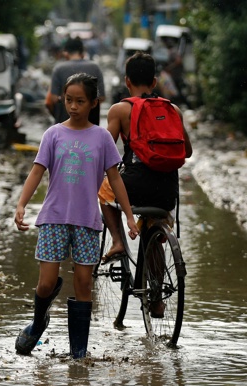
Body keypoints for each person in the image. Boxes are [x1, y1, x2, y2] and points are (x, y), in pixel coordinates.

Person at [15, 73, 139, 359]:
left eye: (80, 101)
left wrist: (129, 216)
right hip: (53, 218)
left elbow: (115, 180)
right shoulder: (53, 134)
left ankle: (78, 356)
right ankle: (37, 323)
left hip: (86, 221)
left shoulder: (102, 138)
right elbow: (37, 171)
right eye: (69, 100)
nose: (73, 106)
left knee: (84, 283)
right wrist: (21, 205)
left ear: (94, 103)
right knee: (46, 283)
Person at [97, 52, 193, 316]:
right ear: (154, 81)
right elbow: (188, 151)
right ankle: (158, 299)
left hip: (135, 184)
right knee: (155, 232)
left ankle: (117, 241)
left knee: (104, 191)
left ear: (127, 82)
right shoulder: (173, 110)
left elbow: (106, 153)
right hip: (166, 190)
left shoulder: (119, 110)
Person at [45, 37, 106, 125]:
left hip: (64, 125)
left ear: (65, 54)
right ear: (83, 53)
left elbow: (51, 100)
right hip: (90, 126)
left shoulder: (59, 69)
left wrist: (59, 115)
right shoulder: (94, 68)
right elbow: (102, 97)